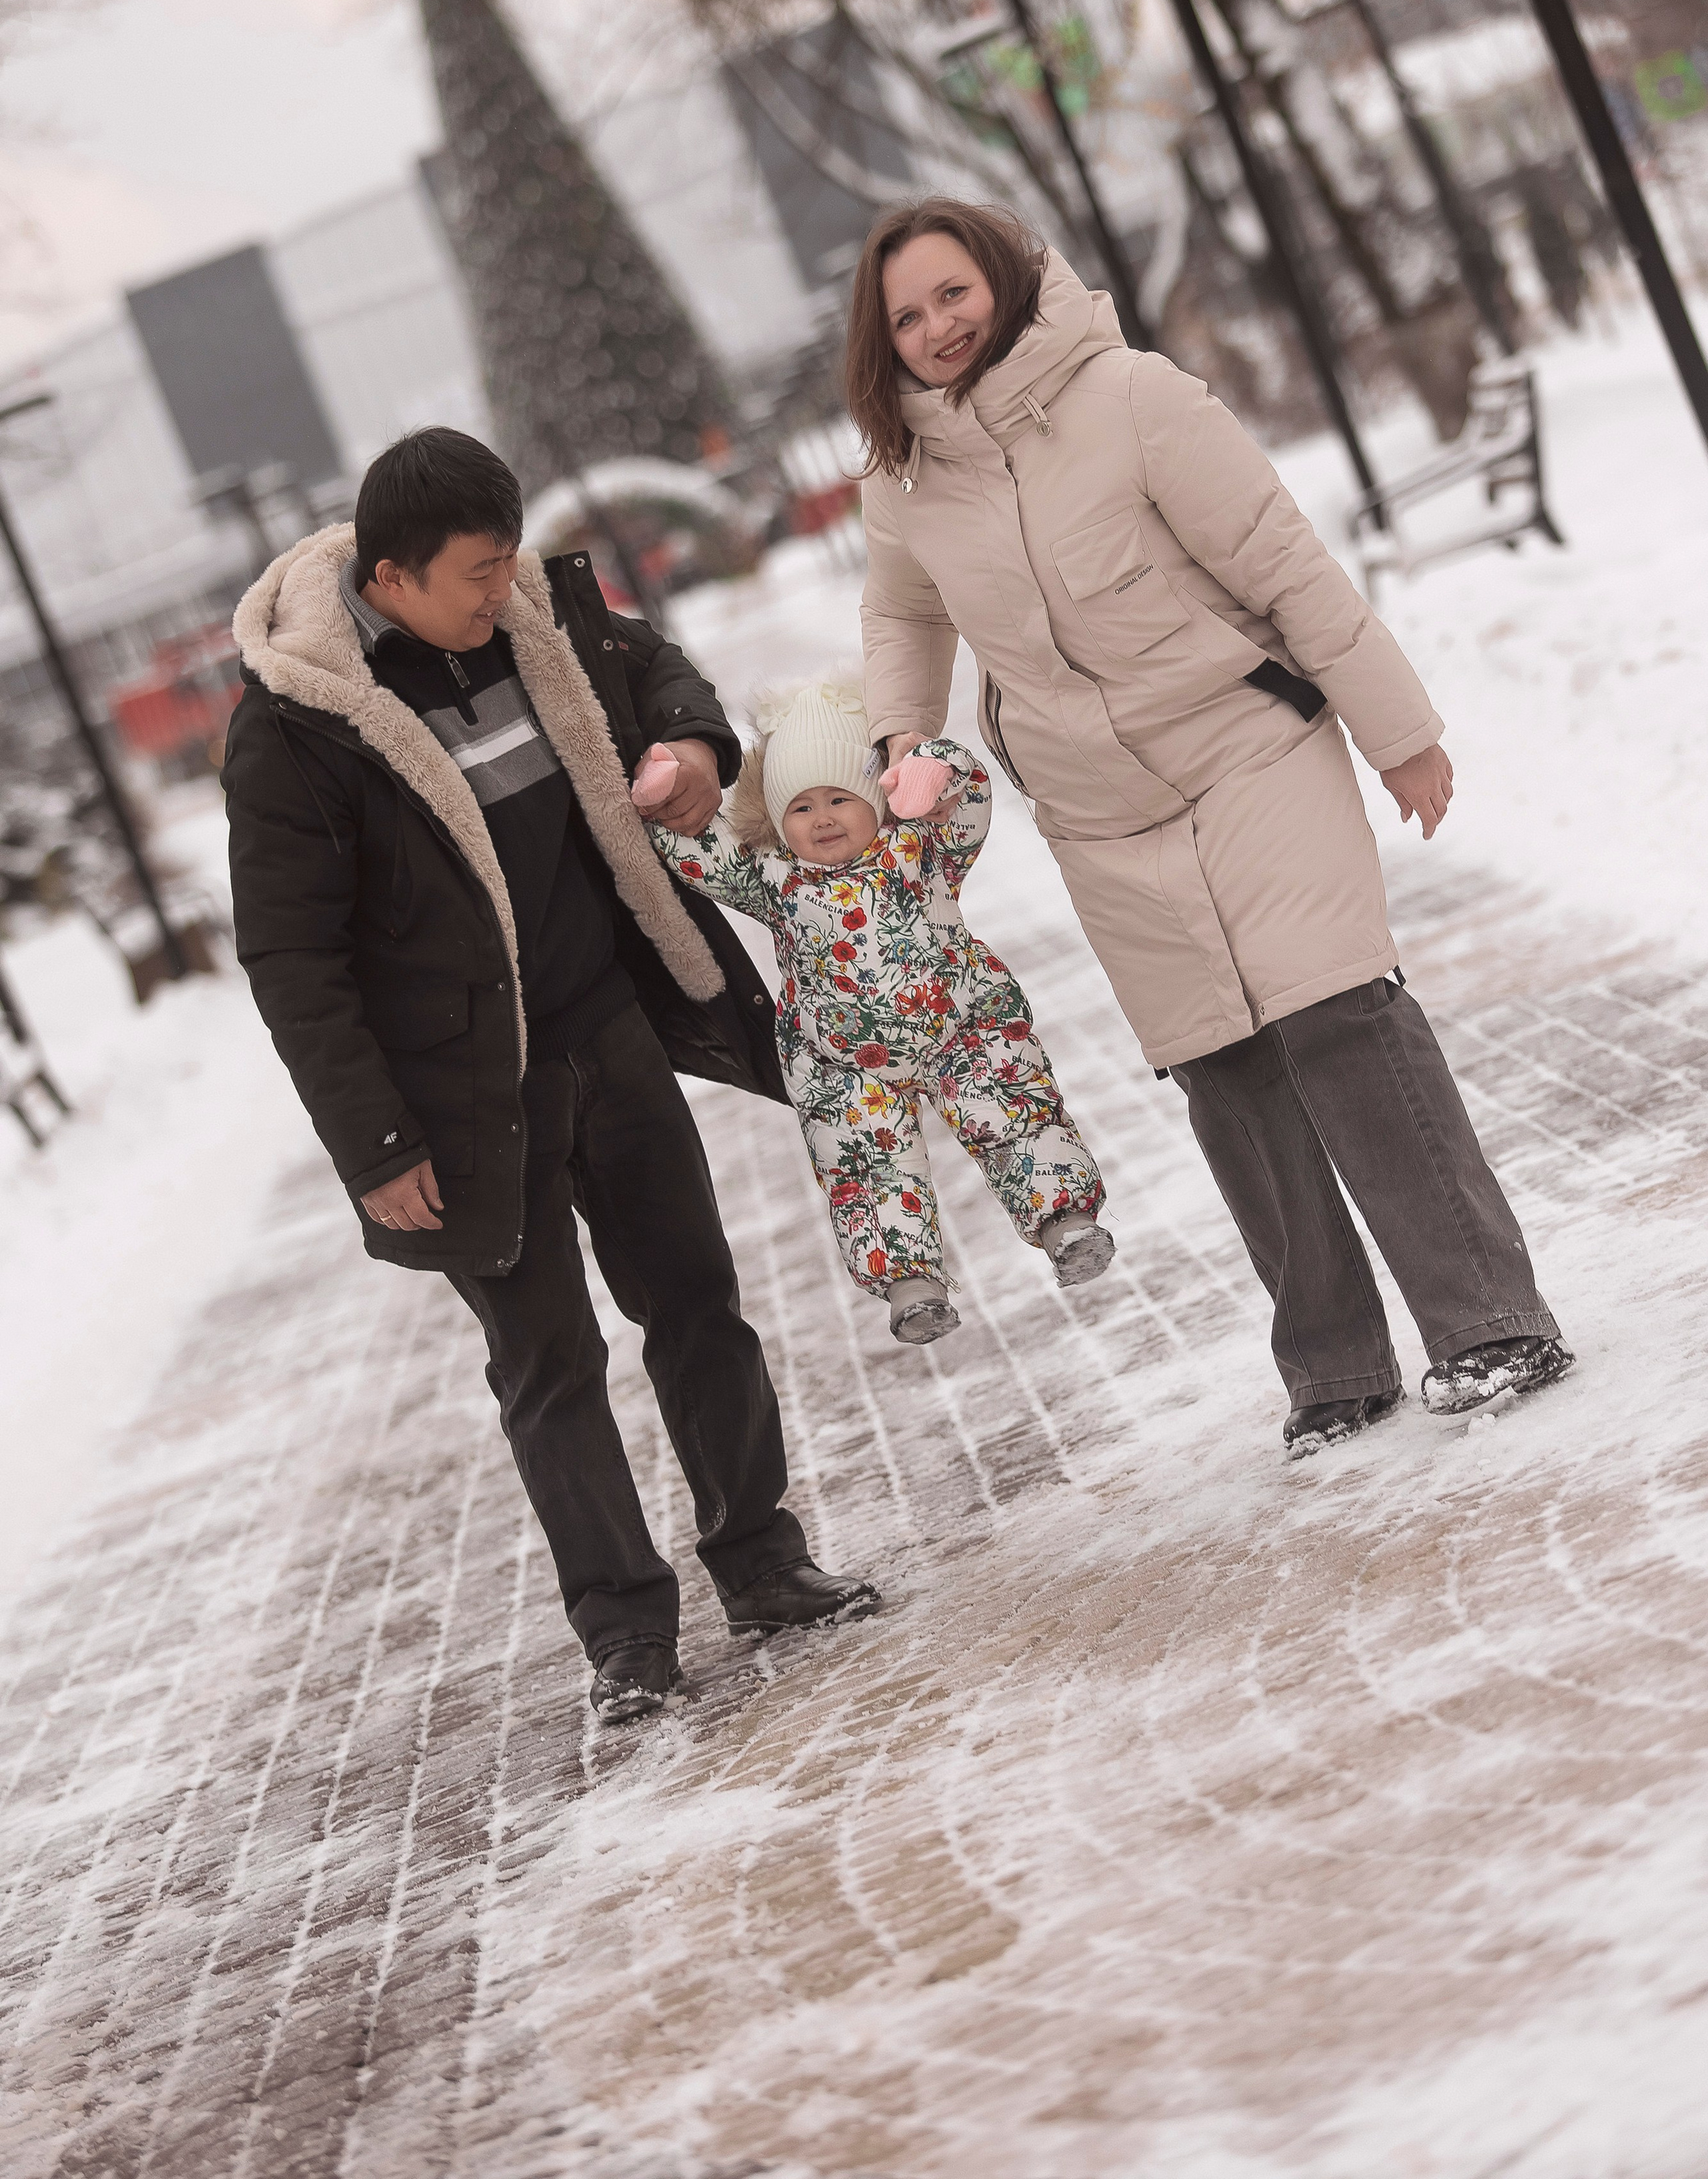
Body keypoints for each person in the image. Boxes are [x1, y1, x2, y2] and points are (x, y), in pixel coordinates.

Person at [847, 198, 1573, 1454]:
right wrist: (902, 739)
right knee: (1225, 1064)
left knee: (1336, 1010)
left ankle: (1489, 1321)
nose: (937, 328)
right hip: (1097, 808)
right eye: (907, 315)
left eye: (953, 293)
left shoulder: (1134, 395)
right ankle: (1337, 1367)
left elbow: (1281, 560)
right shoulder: (905, 481)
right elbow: (903, 619)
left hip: (1249, 745)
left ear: (1008, 277)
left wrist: (1397, 729)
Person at [223, 428, 878, 1724]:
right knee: (548, 1364)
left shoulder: (536, 622)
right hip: (462, 1103)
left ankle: (761, 1561)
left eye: (509, 560)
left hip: (607, 1036)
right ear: (391, 576)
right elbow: (292, 961)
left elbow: (665, 679)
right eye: (473, 573)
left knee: (697, 1301)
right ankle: (627, 1639)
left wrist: (690, 752)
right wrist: (374, 1147)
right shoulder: (298, 730)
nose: (499, 591)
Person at [640, 681, 1113, 1346]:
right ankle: (910, 1286)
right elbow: (705, 854)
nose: (822, 817)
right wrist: (665, 801)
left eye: (840, 798)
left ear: (876, 798)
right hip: (844, 1066)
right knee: (866, 1170)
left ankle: (1064, 1222)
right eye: (800, 807)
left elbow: (965, 806)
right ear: (777, 819)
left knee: (1011, 1112)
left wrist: (938, 769)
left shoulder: (919, 852)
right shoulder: (773, 877)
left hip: (959, 1029)